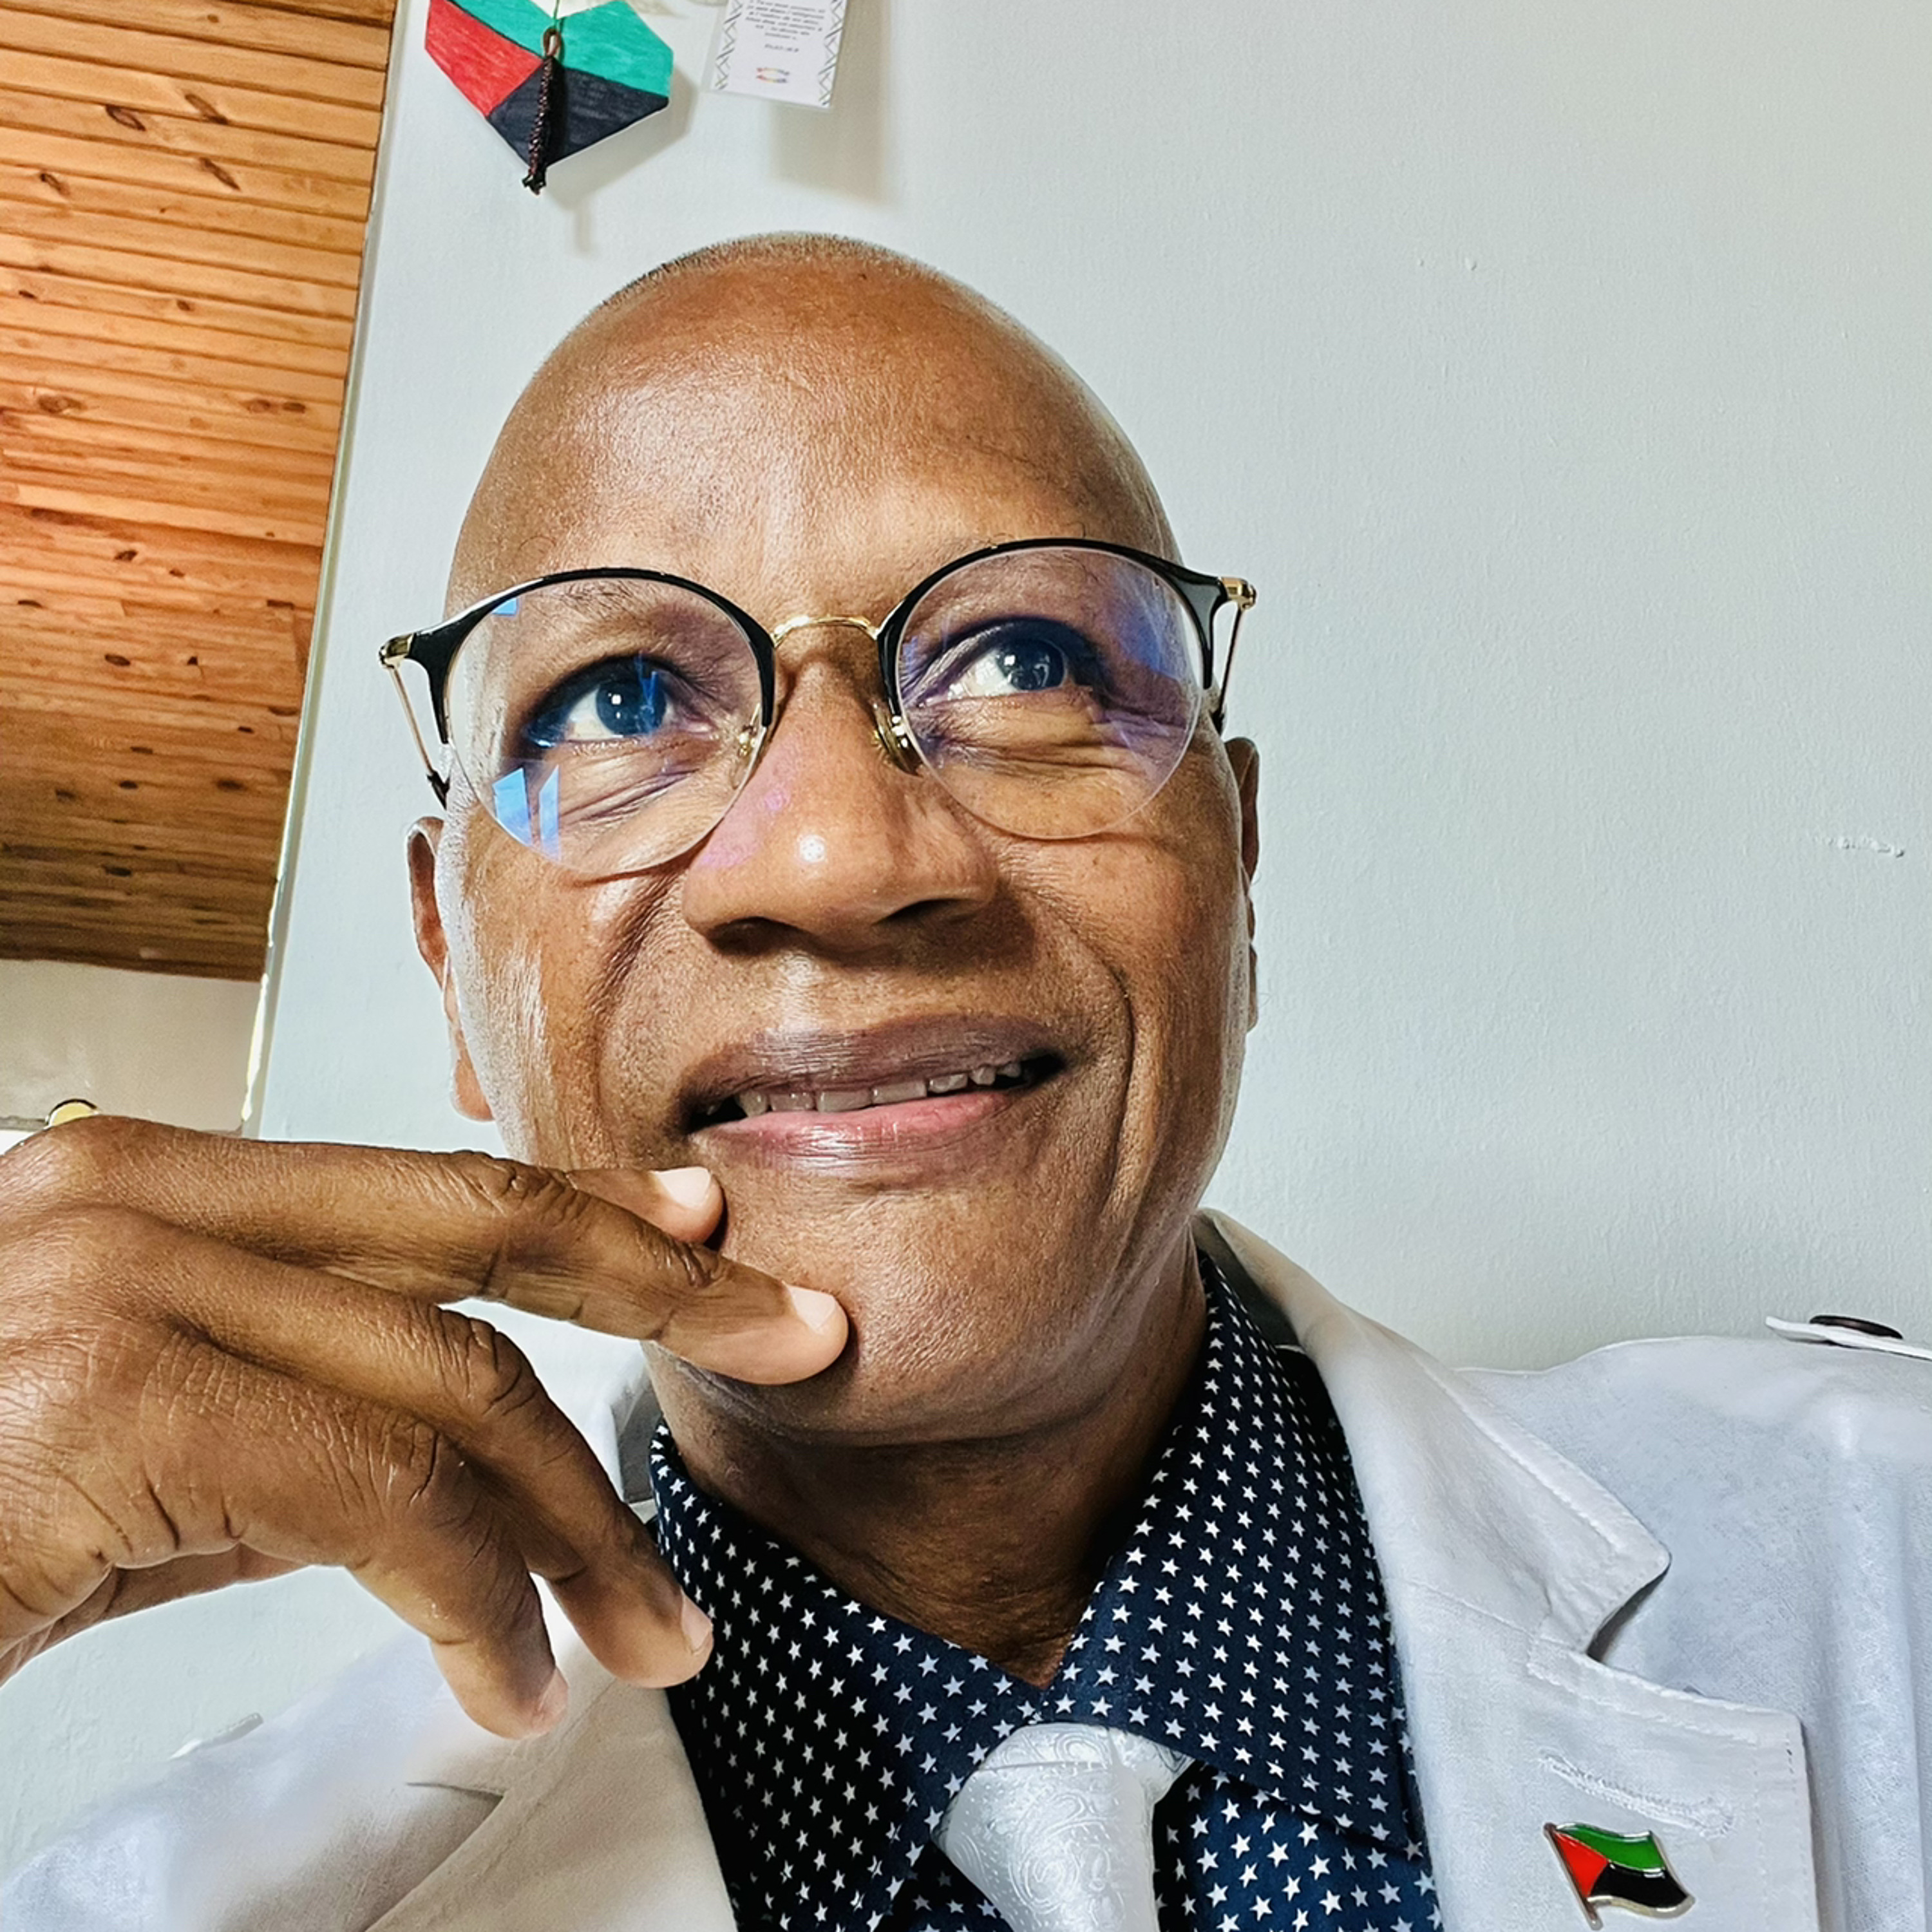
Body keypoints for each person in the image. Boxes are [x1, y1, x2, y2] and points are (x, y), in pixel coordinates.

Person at [1, 236, 1926, 1932]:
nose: (836, 855)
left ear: (1236, 868)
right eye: (619, 701)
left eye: (1021, 661)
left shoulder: (1893, 1552)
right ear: (453, 959)